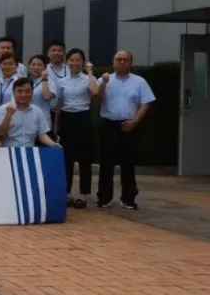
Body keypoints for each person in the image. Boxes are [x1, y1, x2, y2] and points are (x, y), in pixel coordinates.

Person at [97, 50, 155, 210]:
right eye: (119, 59)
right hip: (108, 125)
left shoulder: (139, 81)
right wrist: (103, 83)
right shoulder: (105, 79)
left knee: (128, 163)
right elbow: (96, 97)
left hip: (129, 126)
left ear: (131, 62)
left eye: (125, 59)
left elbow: (146, 102)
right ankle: (104, 197)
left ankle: (128, 198)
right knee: (106, 163)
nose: (122, 62)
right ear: (113, 61)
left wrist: (135, 121)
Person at [52, 49, 99, 208]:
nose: (74, 63)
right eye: (71, 60)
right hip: (67, 118)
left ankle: (83, 194)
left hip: (83, 117)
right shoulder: (62, 81)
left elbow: (95, 92)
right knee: (67, 158)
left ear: (83, 62)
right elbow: (59, 104)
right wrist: (56, 125)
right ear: (67, 62)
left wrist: (90, 71)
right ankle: (66, 193)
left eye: (78, 60)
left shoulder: (88, 79)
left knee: (85, 157)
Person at [0, 78, 61, 149]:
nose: (23, 94)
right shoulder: (3, 109)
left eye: (27, 91)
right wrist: (8, 115)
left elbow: (41, 134)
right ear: (14, 93)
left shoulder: (37, 111)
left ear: (32, 93)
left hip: (29, 151)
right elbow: (0, 134)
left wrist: (53, 144)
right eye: (19, 91)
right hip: (10, 151)